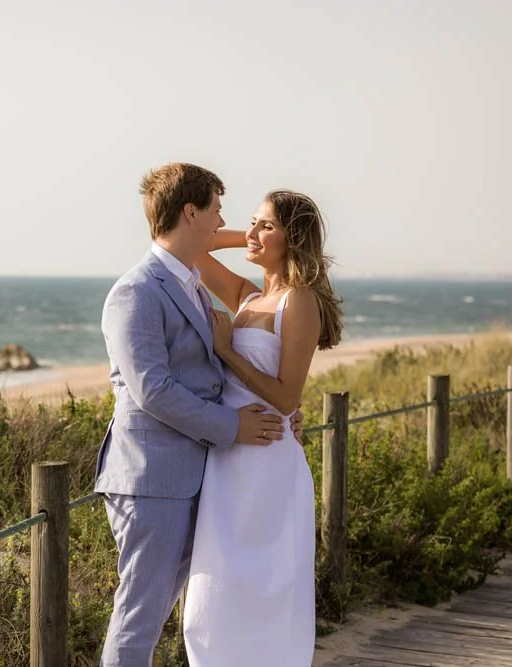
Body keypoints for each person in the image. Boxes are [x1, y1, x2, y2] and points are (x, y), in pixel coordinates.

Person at [95, 164, 305, 667]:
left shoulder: (188, 282)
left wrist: (275, 411)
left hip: (199, 477)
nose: (228, 221)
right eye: (216, 209)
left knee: (188, 615)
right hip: (152, 479)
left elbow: (211, 375)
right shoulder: (136, 291)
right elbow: (154, 390)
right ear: (192, 212)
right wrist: (236, 426)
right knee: (139, 618)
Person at [182, 190, 343, 666]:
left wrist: (227, 350)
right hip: (228, 458)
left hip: (268, 464)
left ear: (293, 237)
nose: (252, 233)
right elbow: (196, 246)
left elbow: (287, 397)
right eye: (251, 223)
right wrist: (253, 237)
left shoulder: (300, 302)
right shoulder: (248, 296)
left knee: (265, 594)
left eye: (265, 226)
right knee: (211, 600)